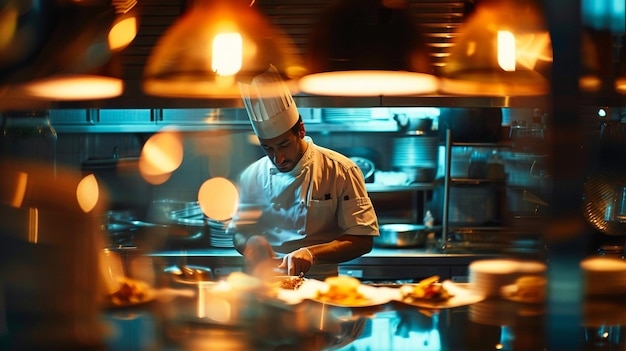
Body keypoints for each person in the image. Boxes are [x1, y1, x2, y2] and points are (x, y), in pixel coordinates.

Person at [227, 66, 379, 280]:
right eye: (268, 148)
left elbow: (363, 239)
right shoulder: (252, 175)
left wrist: (311, 254)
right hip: (267, 284)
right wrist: (250, 243)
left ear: (301, 131)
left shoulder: (341, 170)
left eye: (283, 145)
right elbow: (239, 233)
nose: (277, 158)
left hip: (321, 284)